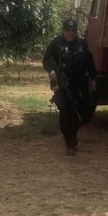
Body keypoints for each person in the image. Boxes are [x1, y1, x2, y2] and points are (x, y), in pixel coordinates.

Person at [42, 18, 98, 156]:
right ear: (63, 31)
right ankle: (70, 143)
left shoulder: (82, 44)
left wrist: (93, 78)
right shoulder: (56, 43)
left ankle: (73, 132)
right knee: (66, 112)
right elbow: (46, 60)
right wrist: (52, 71)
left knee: (84, 113)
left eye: (73, 31)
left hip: (79, 84)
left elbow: (90, 63)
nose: (71, 34)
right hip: (62, 85)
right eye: (68, 31)